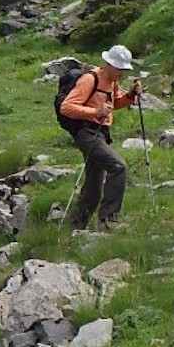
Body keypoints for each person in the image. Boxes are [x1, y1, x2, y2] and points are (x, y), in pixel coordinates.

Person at [59, 43, 143, 230]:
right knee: (118, 166)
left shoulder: (112, 82)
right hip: (86, 133)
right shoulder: (90, 80)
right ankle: (108, 220)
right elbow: (67, 107)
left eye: (124, 69)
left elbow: (115, 103)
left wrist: (129, 96)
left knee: (93, 187)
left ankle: (72, 228)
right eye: (120, 69)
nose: (122, 73)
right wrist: (95, 111)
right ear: (110, 64)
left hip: (100, 133)